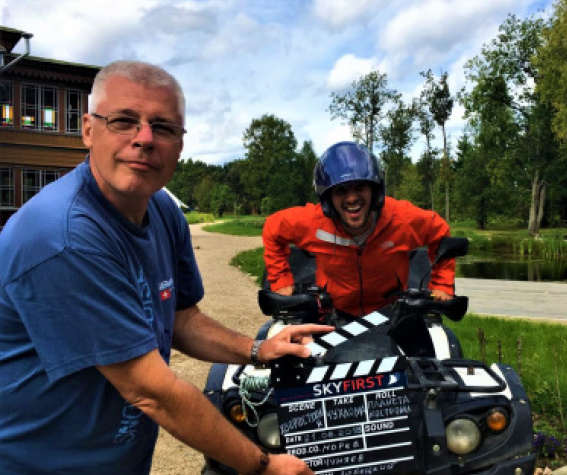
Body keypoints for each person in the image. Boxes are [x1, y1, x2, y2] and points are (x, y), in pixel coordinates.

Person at [0, 60, 330, 475]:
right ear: (88, 130)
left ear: (180, 143)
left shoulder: (161, 210)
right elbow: (150, 391)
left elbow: (180, 318)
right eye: (124, 121)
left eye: (163, 127)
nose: (144, 139)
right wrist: (262, 465)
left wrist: (257, 349)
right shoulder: (62, 236)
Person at [262, 141, 455, 319]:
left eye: (360, 187)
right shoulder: (313, 221)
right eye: (341, 190)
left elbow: (438, 231)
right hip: (333, 314)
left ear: (375, 190)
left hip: (391, 314)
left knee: (438, 344)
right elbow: (273, 227)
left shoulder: (401, 218)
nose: (352, 198)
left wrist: (442, 284)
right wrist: (281, 280)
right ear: (327, 199)